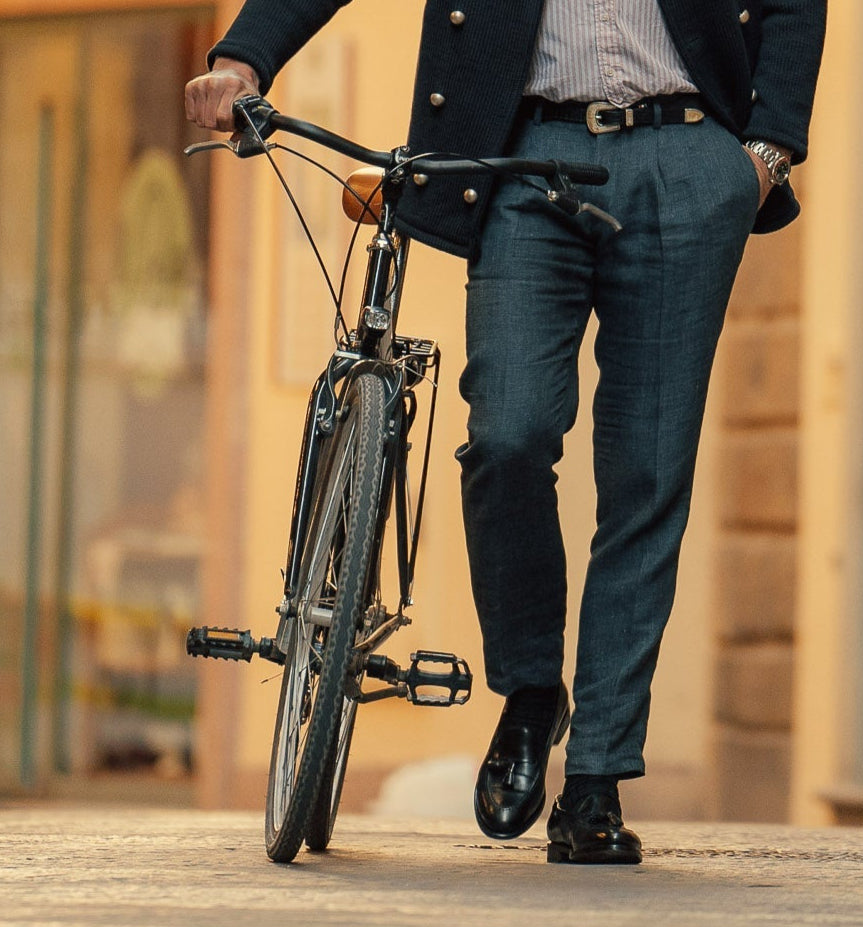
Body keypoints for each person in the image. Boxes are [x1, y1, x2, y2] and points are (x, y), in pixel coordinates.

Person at [186, 1, 827, 865]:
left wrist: (763, 152)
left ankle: (597, 775)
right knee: (508, 434)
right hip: (526, 160)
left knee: (647, 470)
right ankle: (530, 686)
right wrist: (244, 60)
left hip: (688, 156)